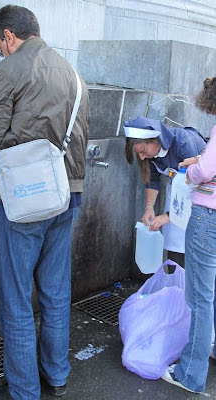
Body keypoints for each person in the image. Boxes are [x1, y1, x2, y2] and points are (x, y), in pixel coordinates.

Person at [0, 5, 89, 400]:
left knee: (15, 300)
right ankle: (56, 375)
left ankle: (23, 392)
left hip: (24, 201)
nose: (1, 51)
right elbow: (81, 136)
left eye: (0, 46)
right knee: (55, 292)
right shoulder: (73, 74)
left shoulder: (10, 70)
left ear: (9, 36)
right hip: (68, 195)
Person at [162, 77, 216, 393]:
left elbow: (206, 172)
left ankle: (190, 374)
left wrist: (193, 172)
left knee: (199, 297)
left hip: (208, 217)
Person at [124, 116, 206, 267]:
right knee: (175, 245)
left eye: (143, 151)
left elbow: (197, 185)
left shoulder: (183, 142)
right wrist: (149, 208)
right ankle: (176, 285)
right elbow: (152, 180)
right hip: (177, 195)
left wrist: (169, 216)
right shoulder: (152, 155)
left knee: (196, 249)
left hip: (202, 197)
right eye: (138, 154)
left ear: (156, 140)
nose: (142, 157)